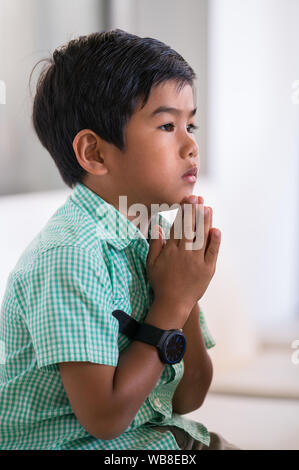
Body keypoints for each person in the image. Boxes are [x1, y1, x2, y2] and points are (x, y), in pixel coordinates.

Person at [0, 29, 239, 450]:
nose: (191, 145)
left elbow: (189, 396)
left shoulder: (157, 236)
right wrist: (172, 301)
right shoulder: (70, 255)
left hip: (157, 439)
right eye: (168, 125)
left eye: (191, 123)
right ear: (94, 153)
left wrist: (185, 290)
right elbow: (106, 420)